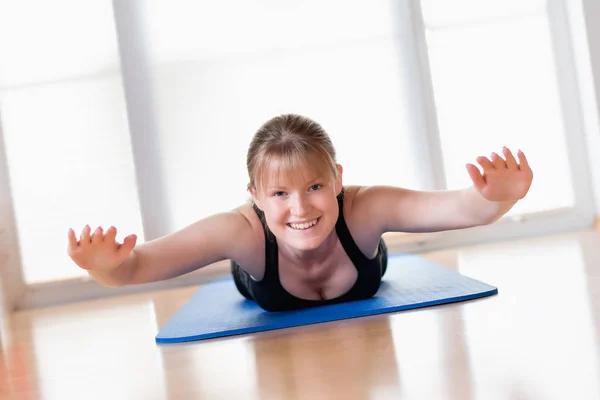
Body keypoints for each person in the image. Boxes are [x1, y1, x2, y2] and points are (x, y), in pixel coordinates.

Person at [67, 114, 533, 311]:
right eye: (280, 194)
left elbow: (459, 208)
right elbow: (138, 267)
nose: (301, 207)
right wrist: (108, 267)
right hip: (260, 274)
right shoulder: (241, 232)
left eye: (314, 186)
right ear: (254, 196)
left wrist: (498, 196)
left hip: (359, 252)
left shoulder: (364, 208)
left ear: (337, 179)